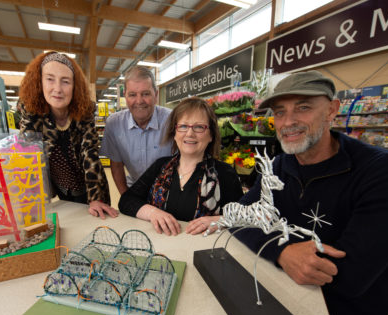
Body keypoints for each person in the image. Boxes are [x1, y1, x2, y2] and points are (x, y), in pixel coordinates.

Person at [231, 71, 388, 315]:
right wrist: (283, 252)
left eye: (303, 107)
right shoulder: (279, 165)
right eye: (280, 112)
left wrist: (274, 244)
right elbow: (238, 217)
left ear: (332, 109)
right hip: (285, 300)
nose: (288, 121)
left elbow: (350, 276)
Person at [118, 97, 243, 236]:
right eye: (183, 126)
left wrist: (220, 220)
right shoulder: (160, 166)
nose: (190, 133)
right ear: (175, 133)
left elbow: (245, 216)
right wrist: (152, 212)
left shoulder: (225, 174)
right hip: (161, 249)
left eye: (199, 127)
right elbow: (126, 200)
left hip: (202, 252)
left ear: (211, 135)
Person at [18, 51, 118, 219]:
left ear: (74, 86)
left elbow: (90, 153)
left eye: (65, 81)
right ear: (39, 82)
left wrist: (95, 198)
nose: (57, 89)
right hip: (60, 187)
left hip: (91, 186)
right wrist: (31, 198)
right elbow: (28, 158)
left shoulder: (85, 111)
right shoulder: (31, 112)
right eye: (50, 79)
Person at [99, 66, 173, 194]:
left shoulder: (172, 120)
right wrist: (126, 197)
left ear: (156, 94)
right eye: (132, 95)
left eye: (145, 94)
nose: (139, 101)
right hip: (135, 186)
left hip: (170, 189)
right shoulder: (114, 124)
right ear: (125, 96)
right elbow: (116, 165)